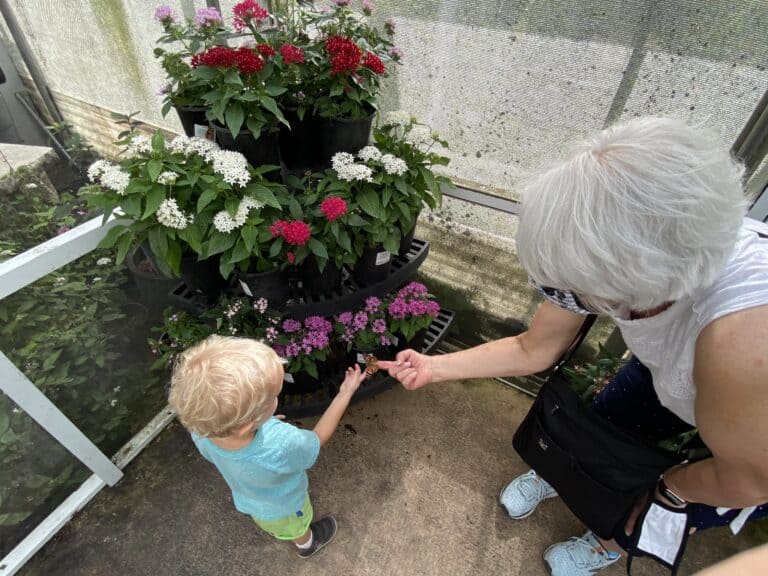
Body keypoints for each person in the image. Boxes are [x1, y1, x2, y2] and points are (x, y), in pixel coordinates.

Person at [380, 117, 768, 575]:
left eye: (569, 291)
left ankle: (610, 540)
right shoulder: (646, 248)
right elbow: (534, 348)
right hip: (666, 371)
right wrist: (433, 367)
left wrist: (661, 485)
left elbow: (749, 478)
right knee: (598, 432)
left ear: (630, 284)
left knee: (647, 506)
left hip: (751, 453)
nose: (559, 299)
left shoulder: (744, 342)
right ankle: (564, 472)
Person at [168, 335, 366, 558]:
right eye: (273, 397)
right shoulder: (282, 444)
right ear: (246, 425)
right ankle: (307, 544)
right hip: (286, 507)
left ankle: (290, 534)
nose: (277, 398)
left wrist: (264, 422)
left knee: (276, 525)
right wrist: (345, 393)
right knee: (296, 527)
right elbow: (317, 439)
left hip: (252, 501)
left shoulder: (201, 432)